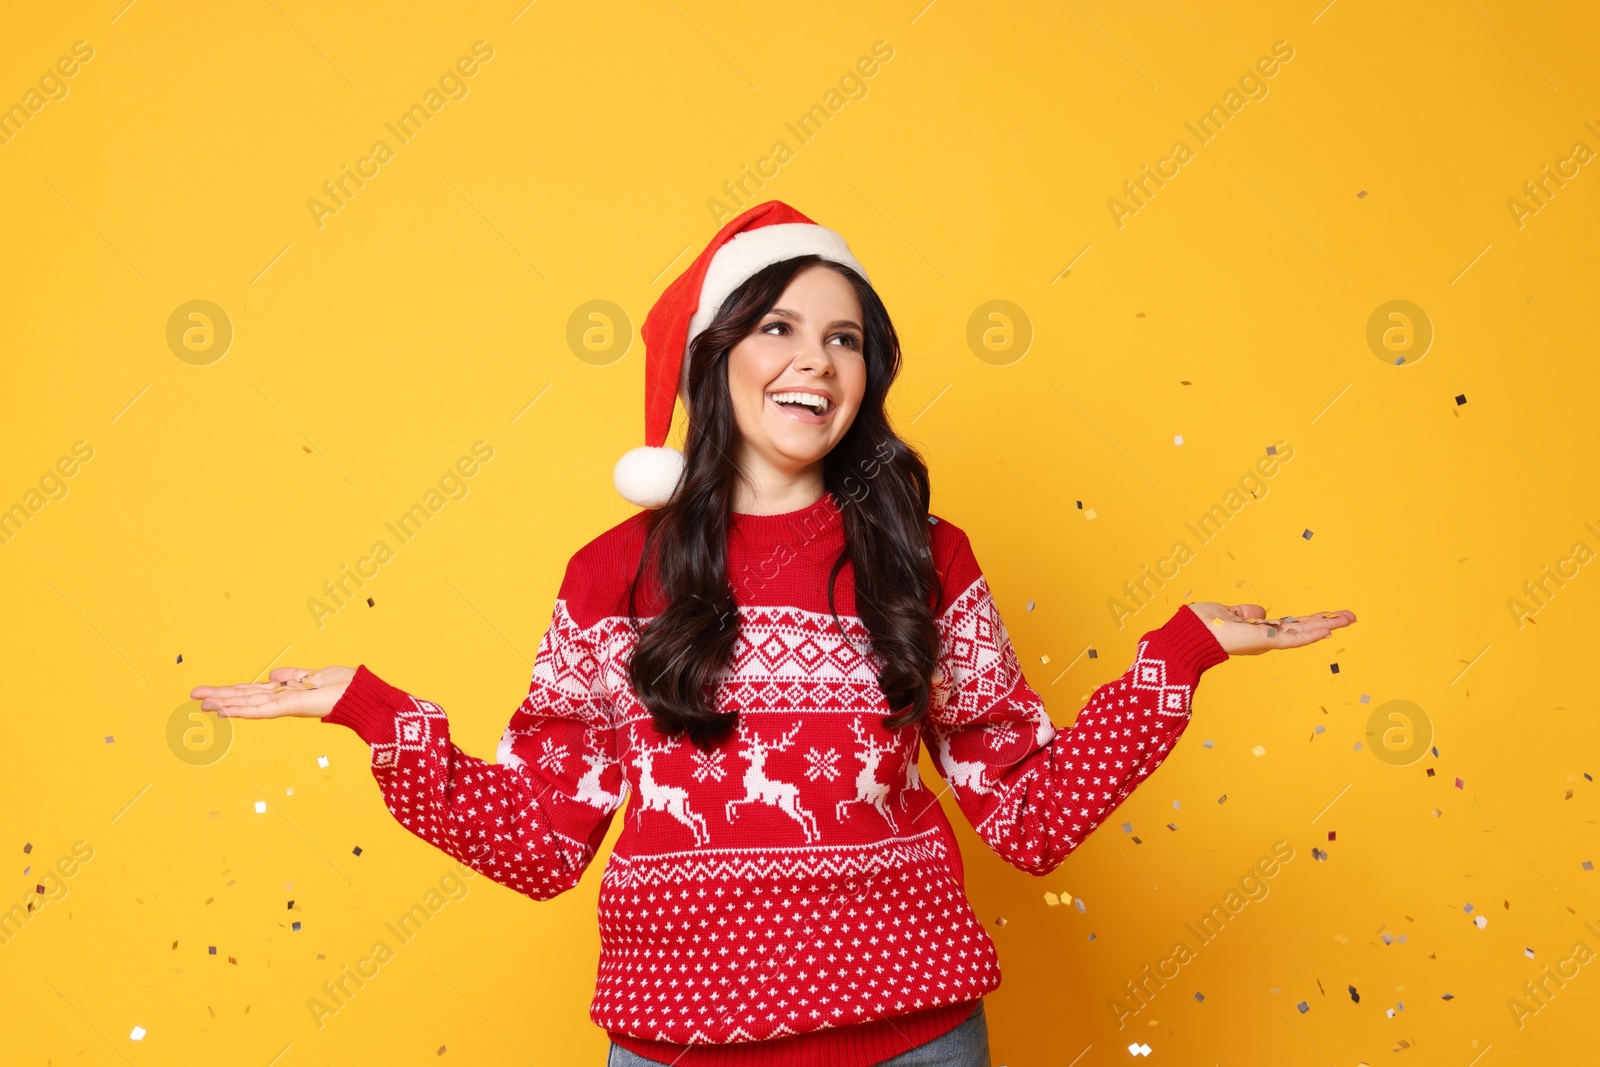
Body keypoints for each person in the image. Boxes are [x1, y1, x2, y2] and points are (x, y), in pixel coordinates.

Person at [192, 200, 1356, 1066]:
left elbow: (1029, 812)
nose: (815, 359)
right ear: (716, 356)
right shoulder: (612, 574)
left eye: (846, 338)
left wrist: (1181, 655)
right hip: (677, 1041)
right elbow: (543, 842)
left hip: (915, 1037)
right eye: (780, 326)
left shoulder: (923, 556)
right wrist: (369, 708)